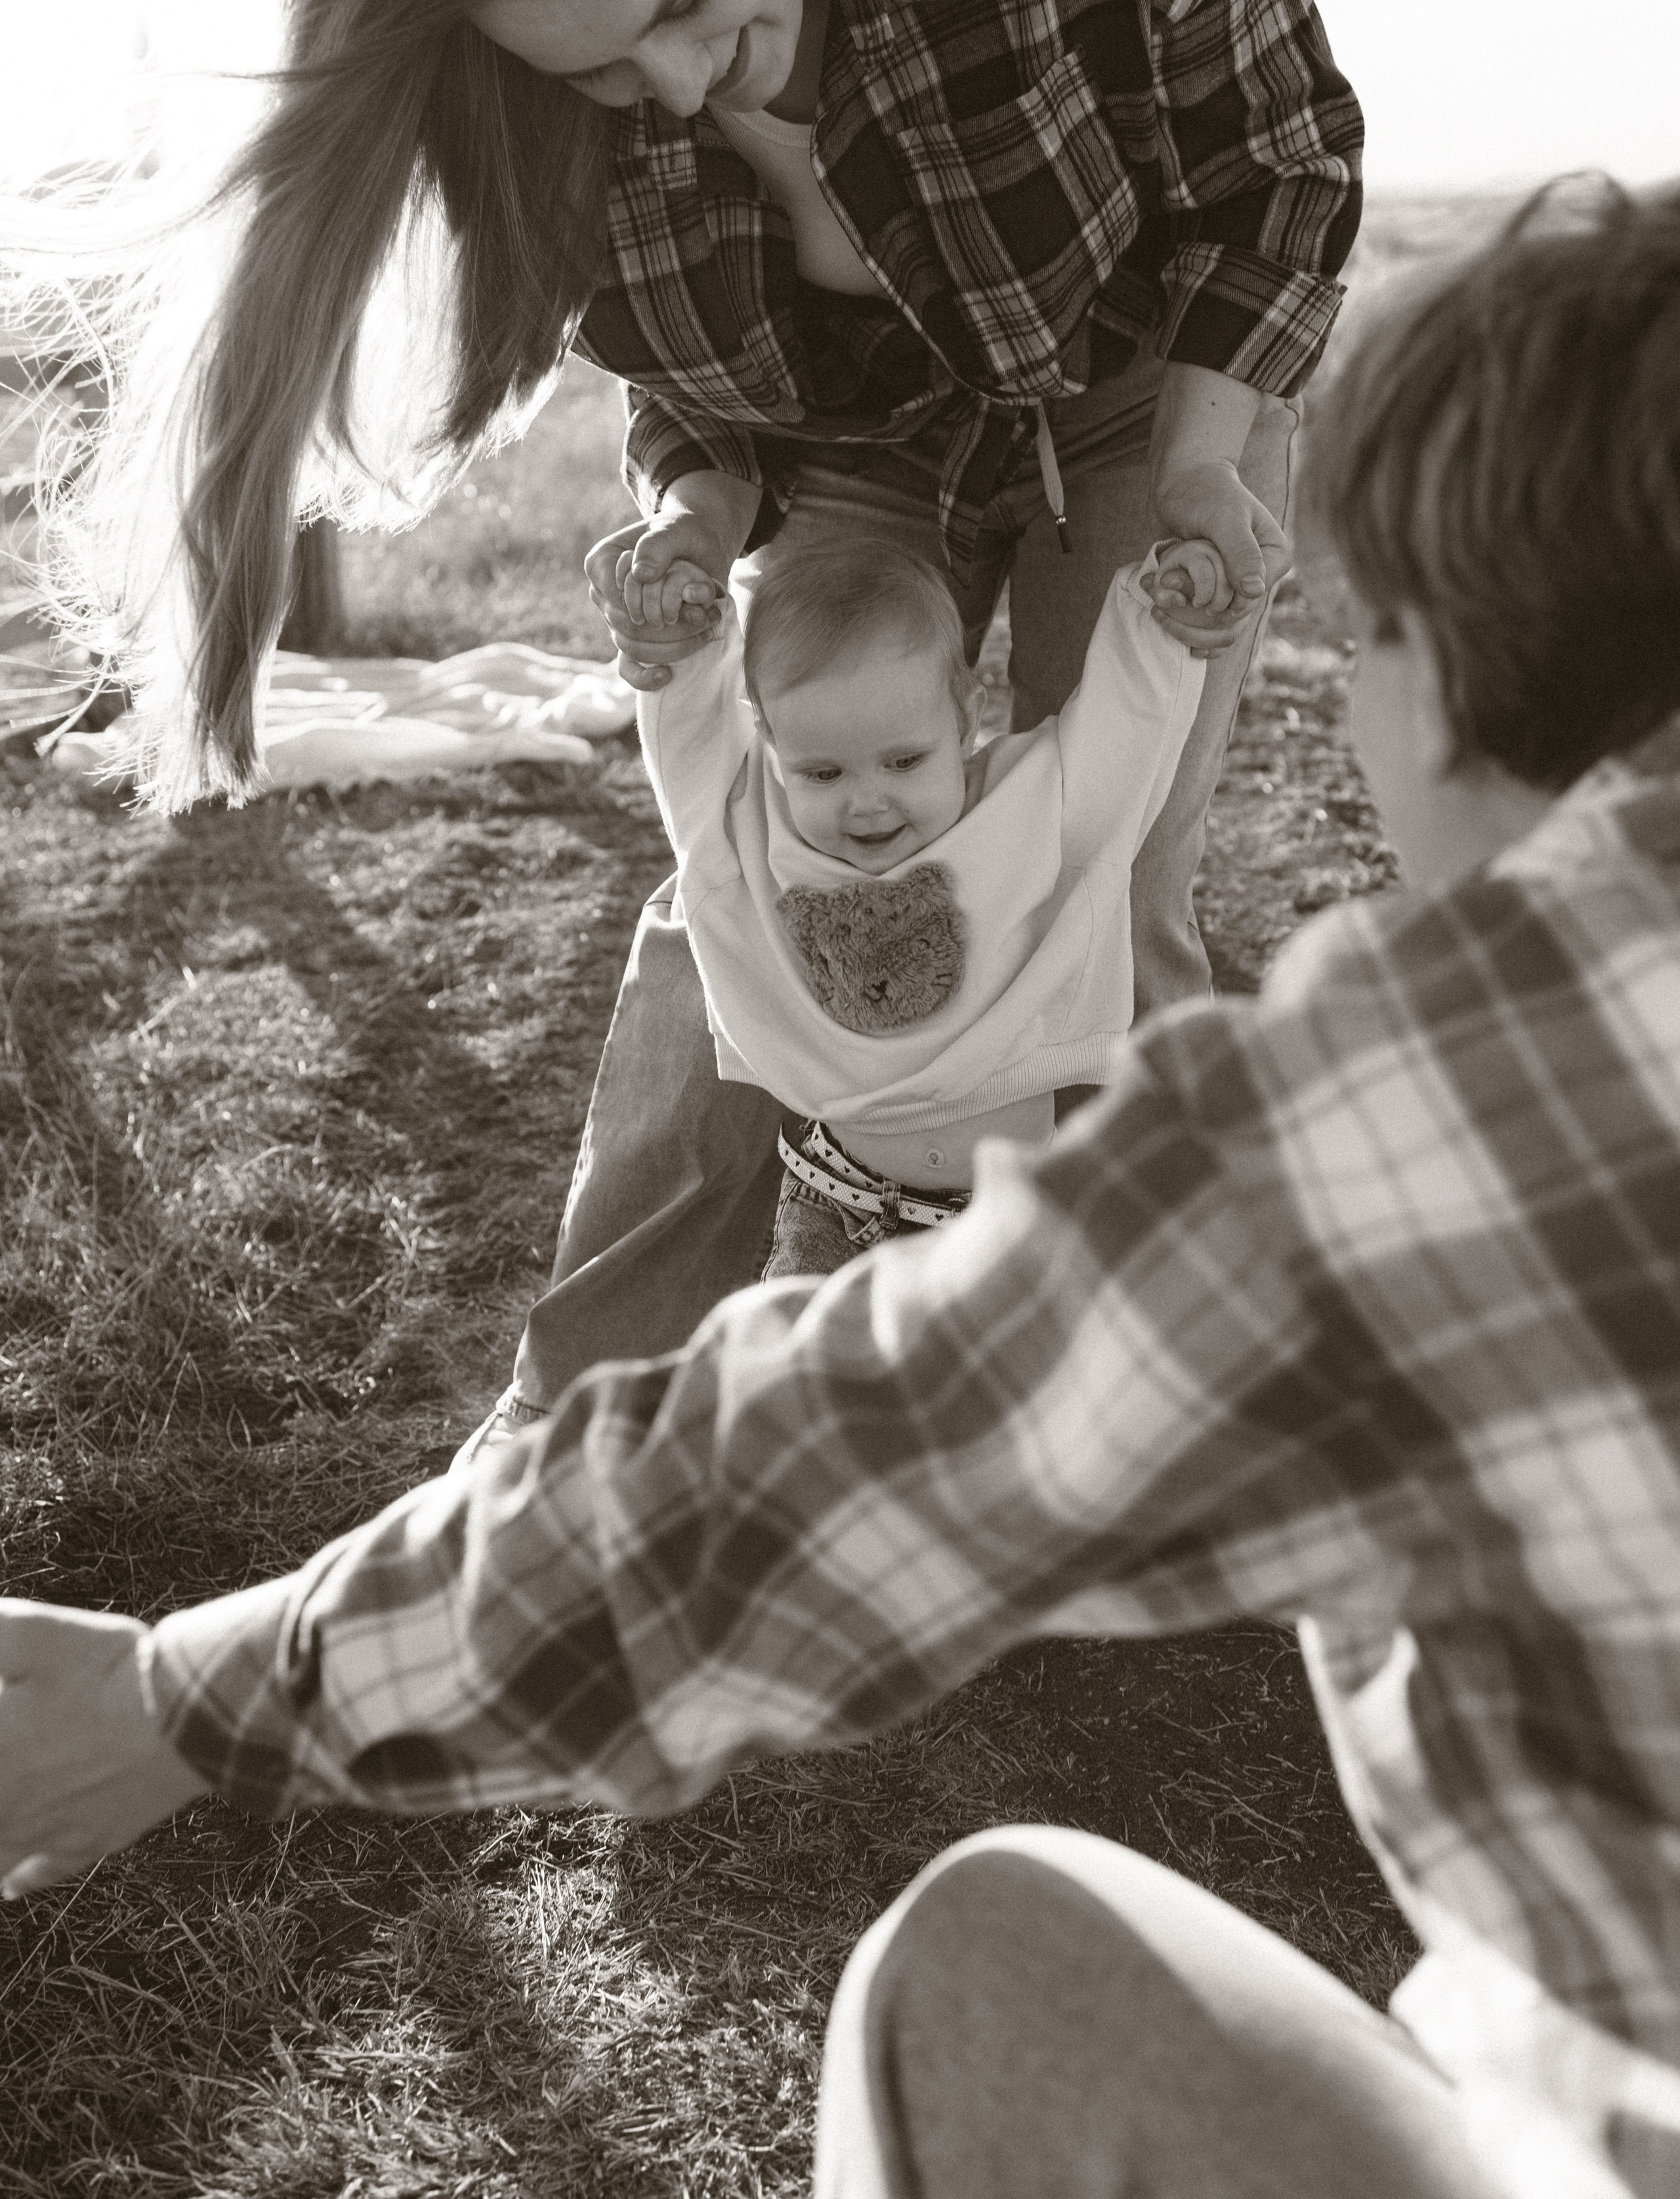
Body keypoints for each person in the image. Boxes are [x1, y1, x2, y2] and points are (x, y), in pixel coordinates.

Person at [6, 188, 1680, 2194]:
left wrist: (195, 1685)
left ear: (1420, 663)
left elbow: (815, 1474)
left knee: (979, 1964)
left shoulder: (1420, 1108)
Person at [14, 0, 1360, 1428]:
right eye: (598, 69)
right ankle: (580, 1426)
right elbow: (693, 395)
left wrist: (1198, 468)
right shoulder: (556, 109)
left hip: (1134, 398)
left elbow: (1284, 161)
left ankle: (1125, 1397)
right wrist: (691, 527)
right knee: (746, 877)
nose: (672, 85)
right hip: (845, 453)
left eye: (689, 1)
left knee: (1112, 883)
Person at [633, 524, 1223, 1278]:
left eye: (904, 761)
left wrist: (1155, 613)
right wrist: (681, 653)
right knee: (815, 1391)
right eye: (822, 774)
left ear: (964, 719)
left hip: (1012, 1222)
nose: (867, 802)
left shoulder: (1035, 811)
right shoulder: (749, 837)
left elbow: (1125, 730)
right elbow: (689, 758)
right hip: (832, 1216)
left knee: (1024, 1390)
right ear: (772, 747)